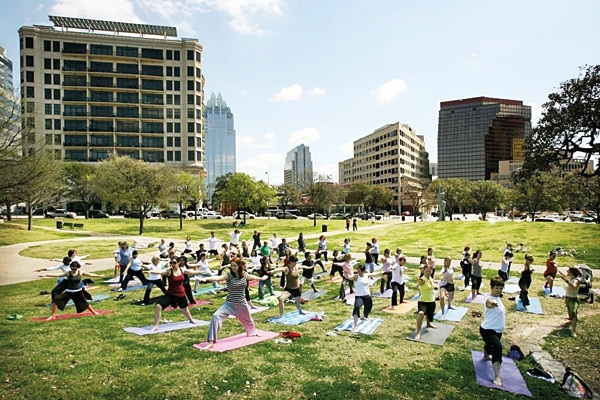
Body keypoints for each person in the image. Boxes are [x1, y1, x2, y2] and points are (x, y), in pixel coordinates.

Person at [199, 258, 266, 349]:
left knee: (248, 321)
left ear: (239, 266)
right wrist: (206, 278)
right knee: (216, 316)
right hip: (229, 304)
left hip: (242, 304)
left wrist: (261, 278)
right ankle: (211, 341)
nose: (233, 267)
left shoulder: (244, 275)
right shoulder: (229, 276)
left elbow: (252, 277)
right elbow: (218, 278)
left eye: (235, 265)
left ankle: (252, 333)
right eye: (232, 265)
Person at [150, 258, 201, 331]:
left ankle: (191, 319)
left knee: (185, 308)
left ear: (178, 262)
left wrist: (201, 272)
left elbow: (191, 271)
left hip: (180, 293)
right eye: (171, 262)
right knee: (158, 306)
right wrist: (151, 271)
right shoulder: (169, 271)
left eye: (174, 262)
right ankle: (155, 325)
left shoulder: (182, 270)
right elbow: (160, 271)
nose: (172, 264)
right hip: (171, 294)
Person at [480, 276, 506, 387]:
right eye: (496, 288)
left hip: (497, 330)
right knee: (497, 347)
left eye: (501, 288)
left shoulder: (498, 298)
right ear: (491, 288)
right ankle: (497, 377)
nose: (499, 290)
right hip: (487, 330)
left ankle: (486, 354)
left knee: (491, 346)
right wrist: (493, 303)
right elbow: (489, 302)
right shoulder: (489, 299)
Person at [343, 264, 381, 332]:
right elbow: (349, 277)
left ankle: (363, 316)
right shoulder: (356, 276)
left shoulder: (366, 275)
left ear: (363, 271)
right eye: (358, 271)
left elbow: (374, 274)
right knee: (357, 307)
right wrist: (346, 274)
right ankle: (355, 325)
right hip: (359, 296)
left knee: (369, 307)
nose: (358, 272)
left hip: (367, 295)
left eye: (360, 271)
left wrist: (381, 272)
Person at [269, 255, 305, 321]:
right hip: (289, 289)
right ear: (290, 262)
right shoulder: (287, 269)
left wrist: (310, 267)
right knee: (281, 299)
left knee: (298, 302)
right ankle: (282, 316)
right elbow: (280, 269)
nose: (295, 263)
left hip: (296, 288)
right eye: (294, 262)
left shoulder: (296, 267)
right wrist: (272, 271)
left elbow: (303, 266)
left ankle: (300, 311)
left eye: (296, 262)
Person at [414, 265, 437, 340]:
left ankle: (428, 324)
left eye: (430, 271)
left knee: (429, 315)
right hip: (423, 301)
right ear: (423, 271)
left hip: (431, 300)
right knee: (421, 314)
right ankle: (418, 333)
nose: (428, 272)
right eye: (427, 271)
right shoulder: (422, 279)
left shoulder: (430, 278)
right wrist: (420, 282)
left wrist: (436, 282)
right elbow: (420, 283)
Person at [559, 267, 582, 337]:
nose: (567, 271)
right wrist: (563, 276)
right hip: (567, 298)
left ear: (572, 272)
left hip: (573, 299)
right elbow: (570, 282)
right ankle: (570, 323)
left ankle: (573, 331)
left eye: (568, 271)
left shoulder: (577, 280)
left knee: (573, 313)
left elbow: (573, 287)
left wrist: (565, 280)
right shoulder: (572, 279)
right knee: (570, 313)